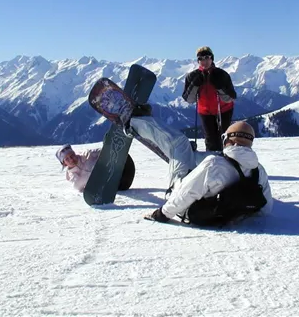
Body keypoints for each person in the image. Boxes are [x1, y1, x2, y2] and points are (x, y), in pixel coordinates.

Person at [145, 121, 273, 225]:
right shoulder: (258, 170)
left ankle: (136, 122)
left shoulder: (214, 164)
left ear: (230, 140)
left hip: (197, 214)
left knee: (179, 145)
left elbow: (186, 193)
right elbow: (266, 208)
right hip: (229, 216)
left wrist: (162, 214)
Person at [182, 46, 237, 151]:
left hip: (224, 109)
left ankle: (227, 159)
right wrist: (195, 85)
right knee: (210, 139)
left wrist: (219, 87)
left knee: (225, 137)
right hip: (205, 112)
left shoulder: (222, 75)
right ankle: (213, 162)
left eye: (207, 57)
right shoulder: (192, 76)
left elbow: (230, 98)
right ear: (198, 61)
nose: (204, 61)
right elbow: (189, 99)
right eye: (201, 58)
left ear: (212, 59)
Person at [55, 144, 135, 192]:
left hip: (121, 172)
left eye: (72, 155)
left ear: (74, 153)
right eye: (67, 159)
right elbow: (77, 186)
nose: (71, 159)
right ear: (64, 163)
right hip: (115, 185)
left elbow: (104, 150)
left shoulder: (87, 154)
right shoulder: (73, 176)